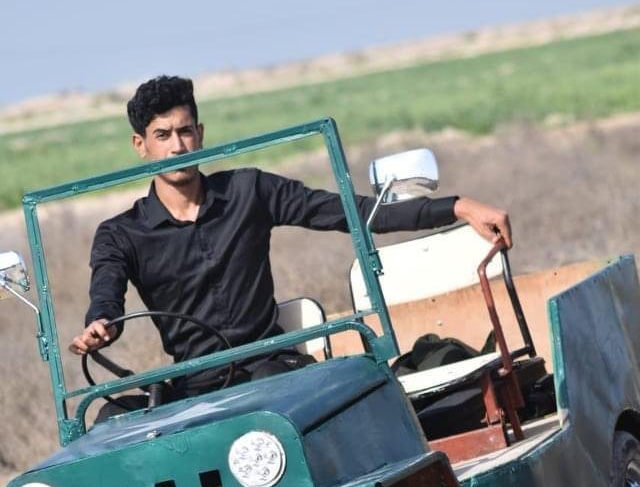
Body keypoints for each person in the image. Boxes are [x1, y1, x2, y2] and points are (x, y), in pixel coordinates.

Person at [69, 75, 512, 403]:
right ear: (141, 145)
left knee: (288, 393)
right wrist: (100, 325)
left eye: (185, 131)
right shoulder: (120, 234)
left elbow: (353, 212)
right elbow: (106, 295)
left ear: (200, 135)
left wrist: (458, 207)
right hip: (197, 388)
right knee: (112, 420)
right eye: (162, 135)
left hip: (274, 367)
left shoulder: (249, 190)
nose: (177, 147)